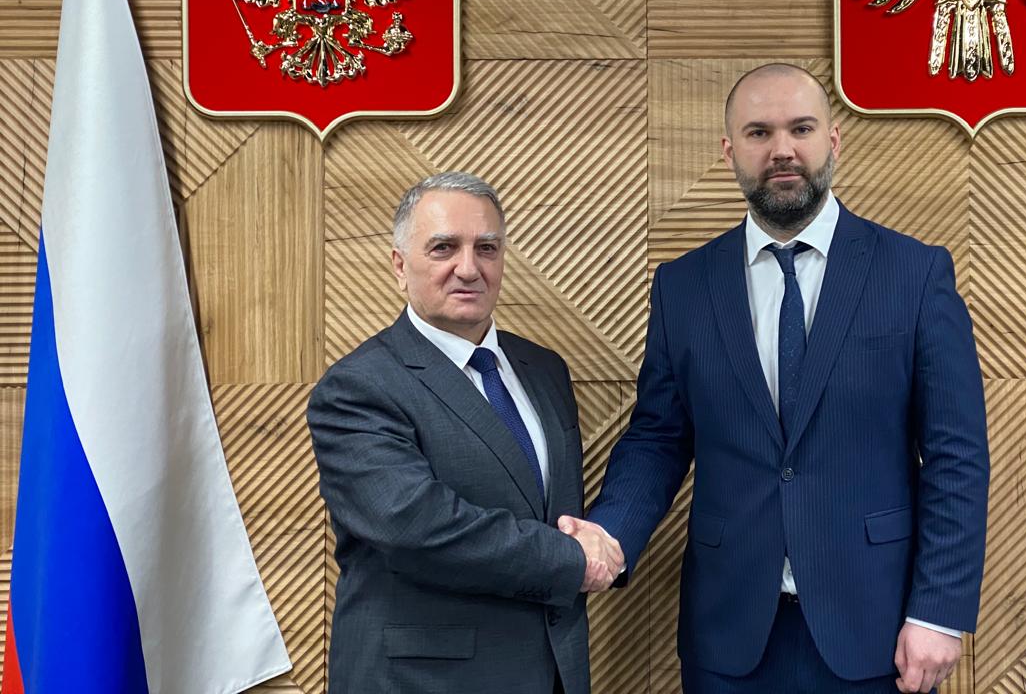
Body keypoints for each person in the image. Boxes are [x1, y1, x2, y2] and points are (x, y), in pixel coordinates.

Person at [564, 64, 989, 693]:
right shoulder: (684, 287)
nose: (782, 149)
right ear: (729, 151)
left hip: (877, 630)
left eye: (801, 129)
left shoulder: (915, 274)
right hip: (729, 636)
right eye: (759, 132)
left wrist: (939, 611)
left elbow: (956, 454)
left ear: (833, 141)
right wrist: (611, 533)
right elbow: (658, 438)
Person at [308, 172, 622, 694]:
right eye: (443, 248)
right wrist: (573, 560)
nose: (469, 268)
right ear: (399, 265)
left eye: (487, 248)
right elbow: (416, 527)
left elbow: (553, 510)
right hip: (421, 681)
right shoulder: (358, 386)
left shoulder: (544, 369)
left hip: (550, 674)